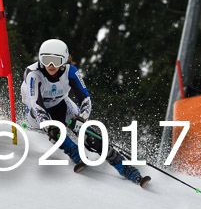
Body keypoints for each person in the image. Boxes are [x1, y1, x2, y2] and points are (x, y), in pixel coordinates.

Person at [21, 39, 150, 187]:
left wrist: (82, 118)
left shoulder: (71, 72)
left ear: (64, 60)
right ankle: (74, 152)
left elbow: (85, 99)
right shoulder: (33, 74)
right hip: (35, 112)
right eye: (47, 60)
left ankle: (128, 169)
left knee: (90, 136)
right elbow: (37, 104)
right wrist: (48, 125)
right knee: (55, 130)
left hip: (62, 104)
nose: (51, 65)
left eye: (56, 61)